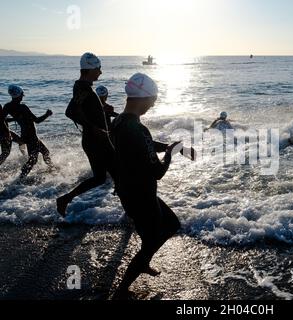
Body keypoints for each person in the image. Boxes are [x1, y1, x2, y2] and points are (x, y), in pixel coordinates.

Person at [111, 73, 193, 298]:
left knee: (169, 225)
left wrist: (169, 147)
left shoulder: (117, 123)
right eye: (153, 100)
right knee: (155, 237)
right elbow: (158, 172)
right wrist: (170, 154)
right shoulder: (138, 129)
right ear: (144, 98)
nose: (154, 104)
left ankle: (143, 262)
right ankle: (123, 288)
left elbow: (141, 147)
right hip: (143, 196)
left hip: (128, 190)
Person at [56, 53, 115, 217]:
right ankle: (132, 213)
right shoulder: (83, 88)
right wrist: (93, 128)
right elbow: (70, 112)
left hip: (94, 140)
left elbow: (78, 109)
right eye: (98, 69)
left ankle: (65, 199)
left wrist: (101, 111)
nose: (100, 73)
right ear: (90, 69)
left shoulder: (83, 88)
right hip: (96, 141)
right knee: (118, 174)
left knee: (100, 178)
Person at [0, 85, 54, 178]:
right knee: (33, 160)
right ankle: (21, 178)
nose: (22, 96)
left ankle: (52, 169)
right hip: (31, 136)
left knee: (45, 153)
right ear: (19, 95)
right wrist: (47, 114)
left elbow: (2, 119)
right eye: (22, 95)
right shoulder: (23, 107)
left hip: (25, 135)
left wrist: (14, 119)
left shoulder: (7, 106)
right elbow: (37, 120)